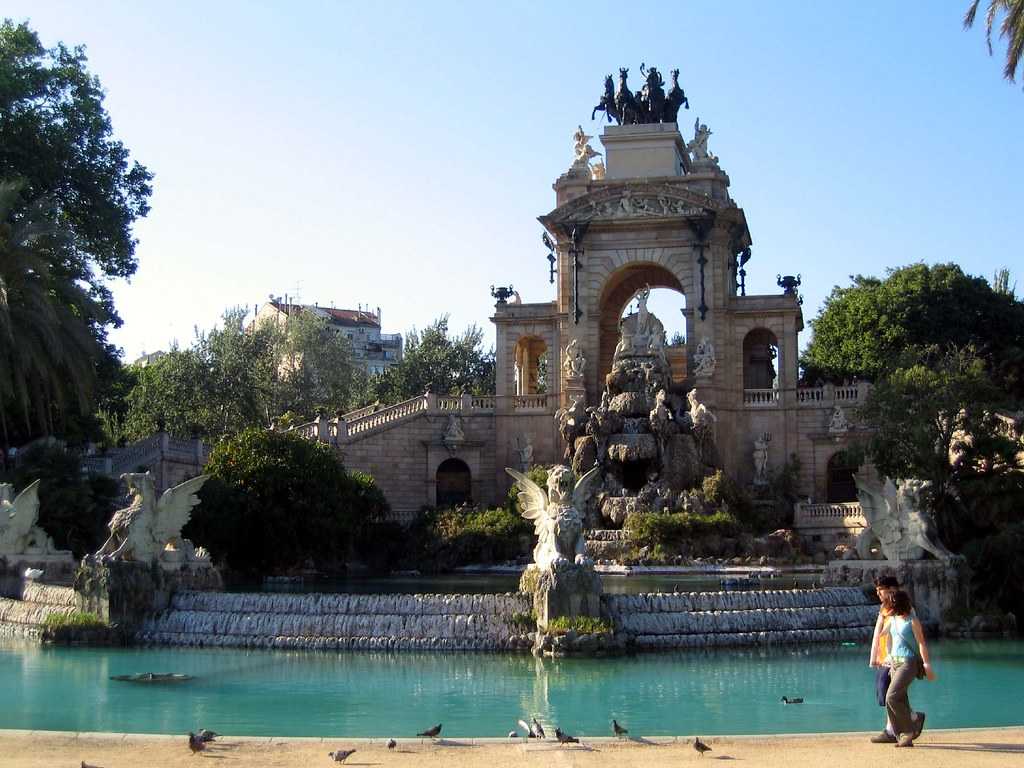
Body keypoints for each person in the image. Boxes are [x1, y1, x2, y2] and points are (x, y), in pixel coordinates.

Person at [882, 590, 935, 748]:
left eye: (892, 603)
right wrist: (886, 655)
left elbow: (921, 644)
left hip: (908, 663)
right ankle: (912, 723)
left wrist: (926, 665)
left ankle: (908, 732)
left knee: (891, 697)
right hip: (895, 663)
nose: (890, 606)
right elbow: (884, 635)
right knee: (899, 698)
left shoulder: (913, 621)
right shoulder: (892, 619)